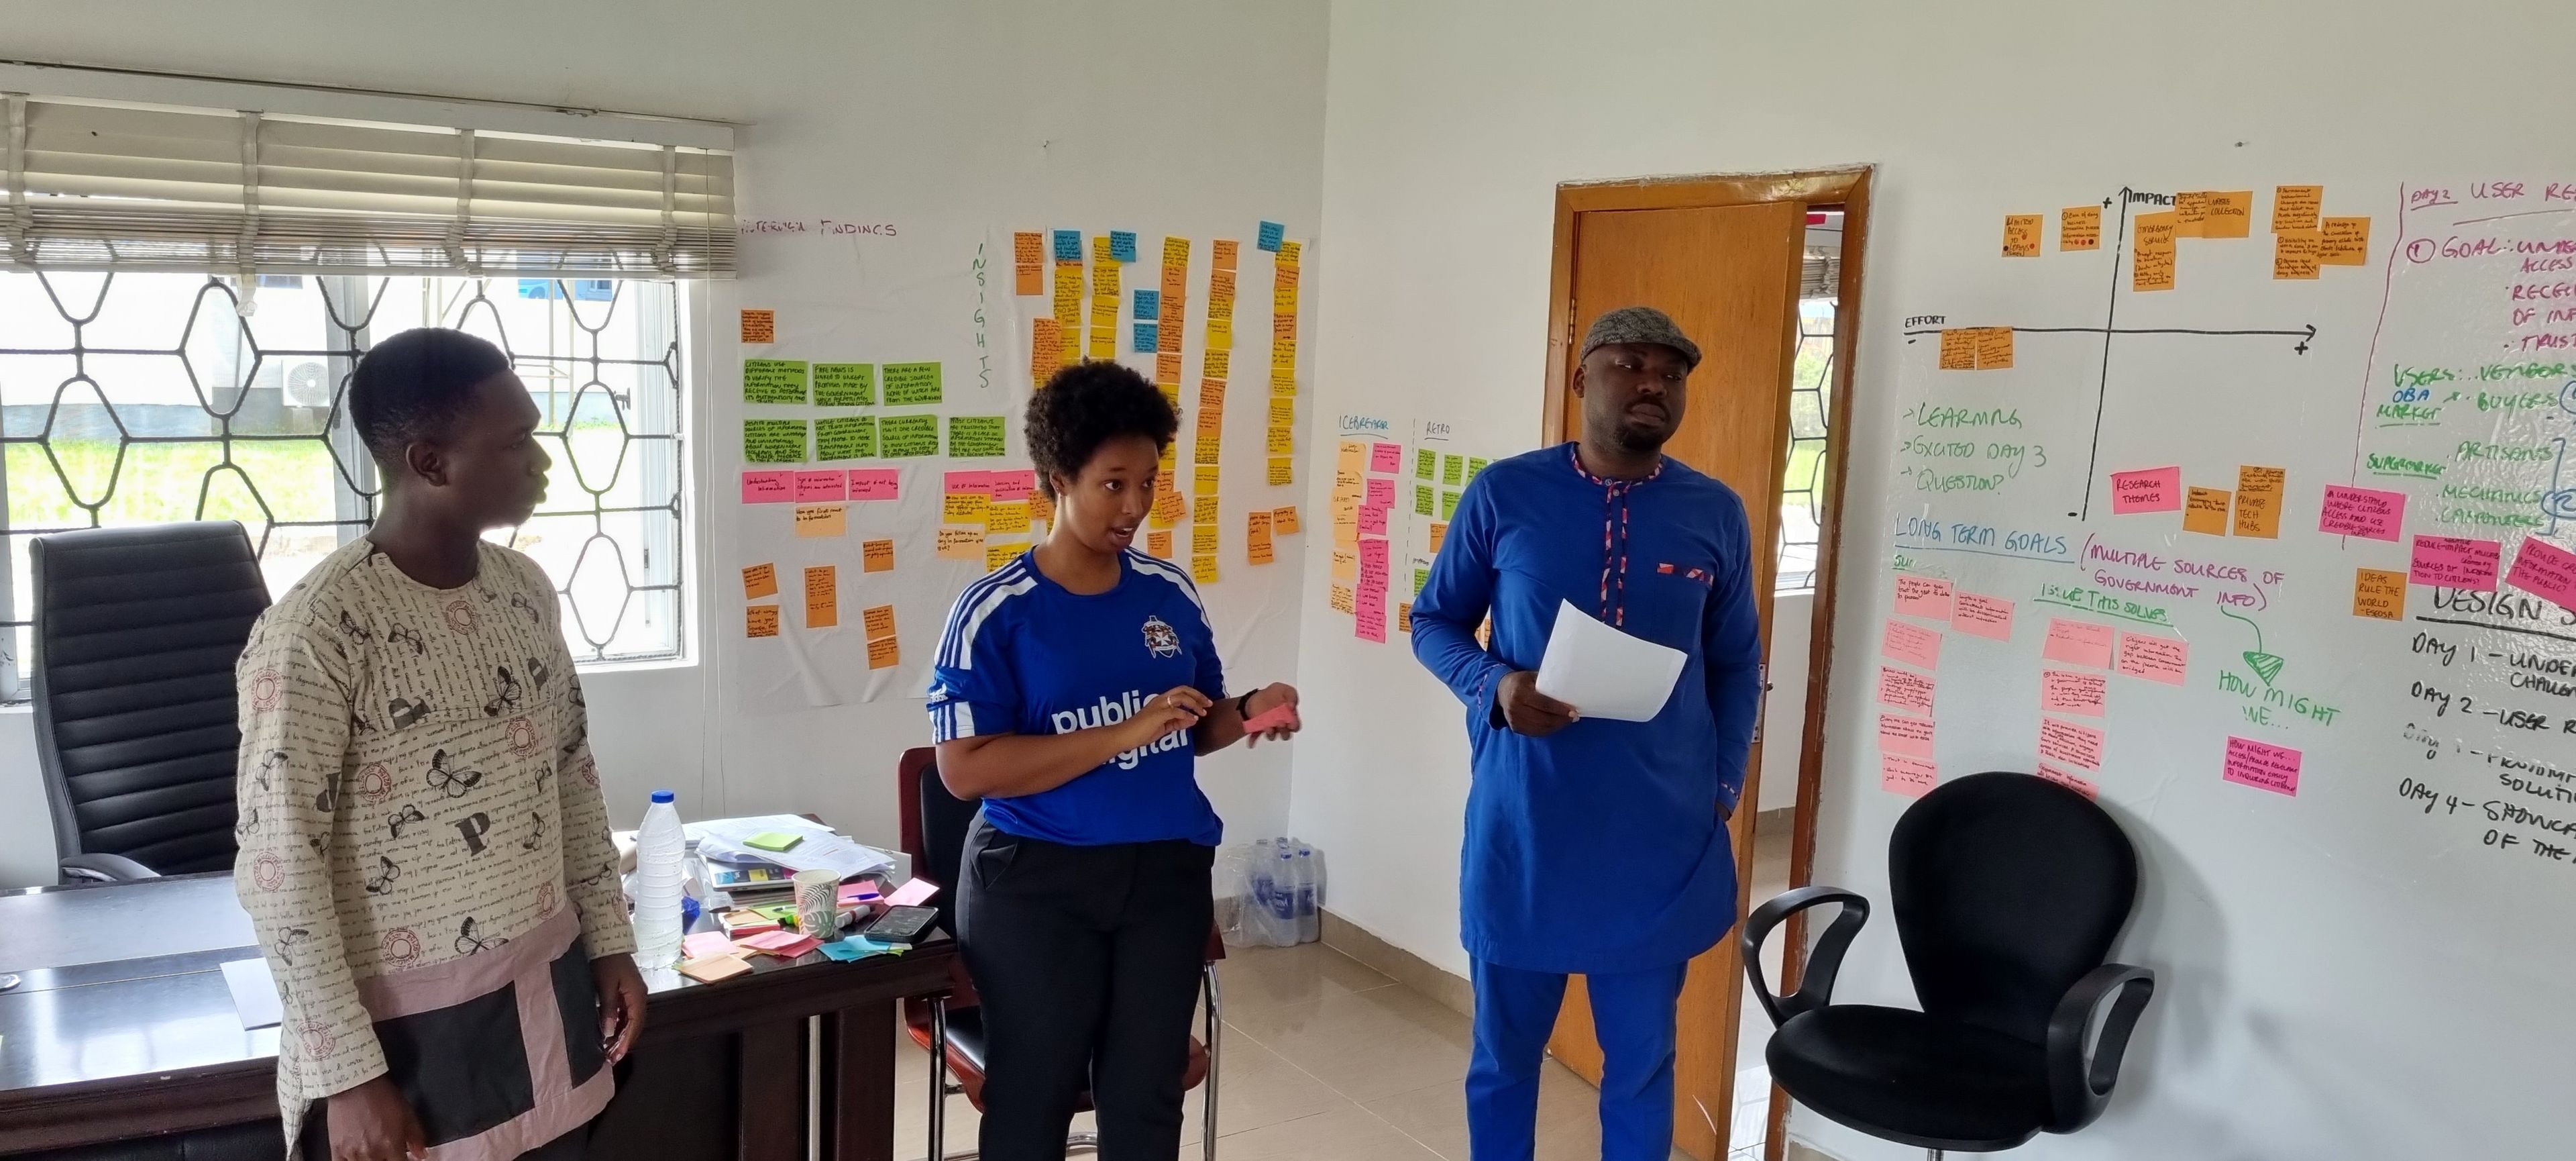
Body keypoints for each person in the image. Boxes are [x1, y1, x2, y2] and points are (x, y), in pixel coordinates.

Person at [233, 327, 647, 1161]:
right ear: (429, 462)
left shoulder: (524, 591)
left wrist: (610, 941)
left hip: (545, 987)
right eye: (517, 440)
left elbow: (570, 773)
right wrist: (350, 1077)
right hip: (409, 1040)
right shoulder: (318, 632)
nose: (542, 461)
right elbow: (280, 866)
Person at [1409, 307, 1762, 1161]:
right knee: (1504, 1059)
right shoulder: (1505, 493)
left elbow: (1738, 664)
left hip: (1655, 840)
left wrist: (1719, 790)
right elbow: (1434, 622)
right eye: (1630, 364)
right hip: (1526, 830)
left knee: (1641, 1064)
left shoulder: (1714, 512)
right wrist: (1494, 684)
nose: (1652, 382)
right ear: (1581, 380)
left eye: (1672, 373)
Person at [927, 361, 1301, 1161]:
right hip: (1035, 882)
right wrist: (1121, 734)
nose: (1135, 506)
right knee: (1035, 1092)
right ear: (1057, 479)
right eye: (1113, 483)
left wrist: (1248, 711)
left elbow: (1193, 724)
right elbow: (964, 768)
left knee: (1145, 1094)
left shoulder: (1167, 591)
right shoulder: (996, 611)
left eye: (1149, 483)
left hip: (1162, 876)